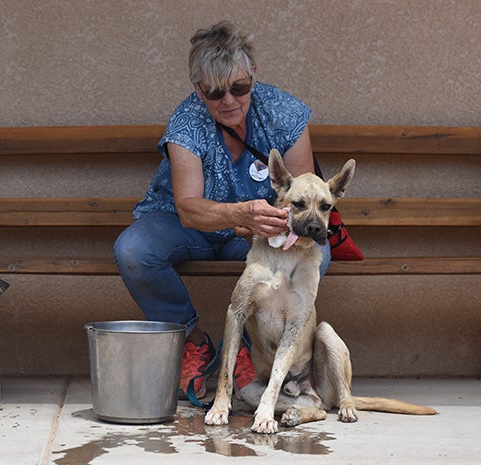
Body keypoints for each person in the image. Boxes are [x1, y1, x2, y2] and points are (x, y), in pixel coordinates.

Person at [114, 20, 331, 400]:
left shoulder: (284, 114)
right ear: (198, 88)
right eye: (214, 92)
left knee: (317, 252)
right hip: (190, 227)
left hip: (258, 234)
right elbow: (188, 209)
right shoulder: (187, 121)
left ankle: (250, 350)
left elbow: (303, 196)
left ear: (253, 76)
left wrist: (272, 225)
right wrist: (243, 216)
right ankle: (193, 342)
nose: (228, 100)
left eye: (239, 87)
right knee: (134, 251)